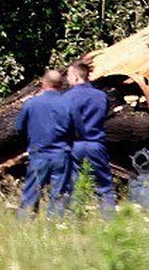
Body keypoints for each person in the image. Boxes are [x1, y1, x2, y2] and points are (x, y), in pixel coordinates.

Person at [15, 69, 72, 219]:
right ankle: (54, 226)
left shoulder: (31, 104)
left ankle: (25, 225)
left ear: (43, 83)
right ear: (60, 85)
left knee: (31, 193)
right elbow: (77, 129)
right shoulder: (68, 104)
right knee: (59, 195)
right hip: (61, 155)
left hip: (38, 154)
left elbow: (19, 128)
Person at [65, 60, 115, 214]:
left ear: (75, 77)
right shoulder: (101, 96)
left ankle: (76, 223)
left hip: (75, 146)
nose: (67, 80)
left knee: (75, 186)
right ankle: (111, 223)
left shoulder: (67, 97)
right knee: (105, 187)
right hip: (96, 144)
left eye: (68, 76)